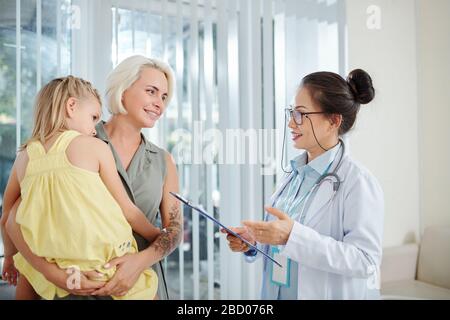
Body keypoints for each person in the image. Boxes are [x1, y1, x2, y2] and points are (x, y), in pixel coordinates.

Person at [4, 55, 182, 300]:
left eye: (164, 97)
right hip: (66, 286)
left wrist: (139, 262)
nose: (159, 104)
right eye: (151, 91)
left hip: (136, 285)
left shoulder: (164, 161)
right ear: (122, 90)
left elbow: (174, 230)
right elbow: (15, 218)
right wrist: (53, 273)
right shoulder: (77, 138)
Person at [224, 69, 384, 300]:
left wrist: (293, 237)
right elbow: (282, 243)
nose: (291, 123)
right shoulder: (294, 174)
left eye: (300, 114)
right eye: (291, 113)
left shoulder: (358, 182)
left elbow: (365, 261)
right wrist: (254, 240)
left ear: (333, 120)